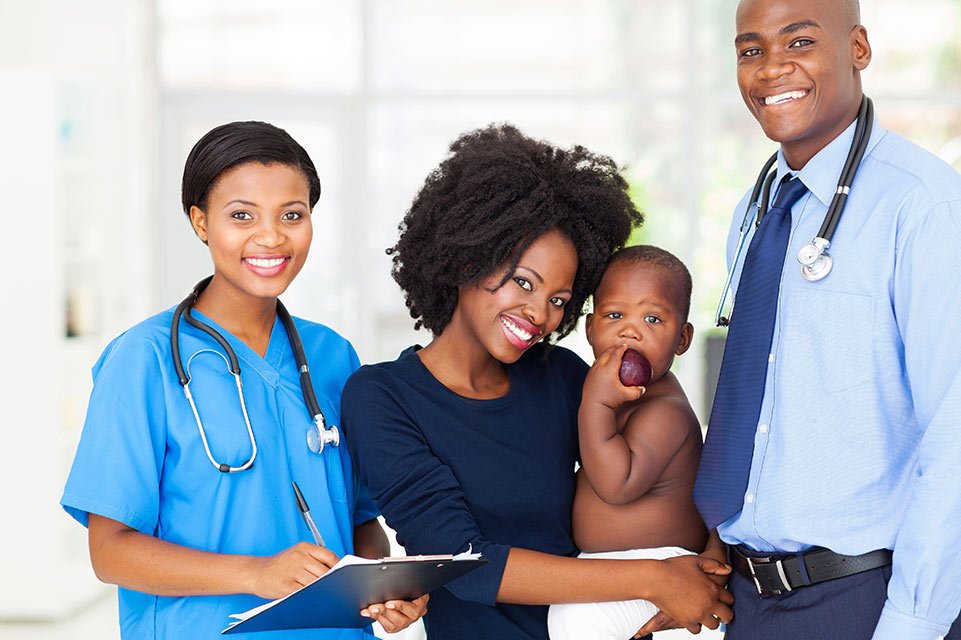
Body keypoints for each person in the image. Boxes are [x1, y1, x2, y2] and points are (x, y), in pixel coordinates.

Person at [341, 124, 734, 640]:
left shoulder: (562, 378)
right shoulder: (382, 397)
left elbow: (665, 463)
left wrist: (708, 552)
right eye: (524, 282)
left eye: (559, 300)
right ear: (468, 258)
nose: (538, 313)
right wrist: (655, 578)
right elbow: (461, 561)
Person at [60, 121, 427, 639]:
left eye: (292, 215)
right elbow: (111, 550)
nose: (272, 237)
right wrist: (255, 573)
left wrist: (382, 588)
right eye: (241, 216)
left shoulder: (332, 357)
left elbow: (362, 524)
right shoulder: (143, 360)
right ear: (201, 222)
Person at [692, 0, 961, 638]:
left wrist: (912, 623)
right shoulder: (754, 212)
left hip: (868, 598)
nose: (771, 68)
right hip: (751, 598)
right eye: (751, 50)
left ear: (859, 48)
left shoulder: (922, 207)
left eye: (800, 41)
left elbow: (954, 437)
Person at [547, 245, 708, 640]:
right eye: (614, 315)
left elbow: (617, 485)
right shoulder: (613, 394)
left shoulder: (665, 411)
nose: (629, 329)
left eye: (652, 318)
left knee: (576, 624)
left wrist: (596, 403)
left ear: (682, 339)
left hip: (665, 565)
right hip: (619, 565)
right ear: (590, 329)